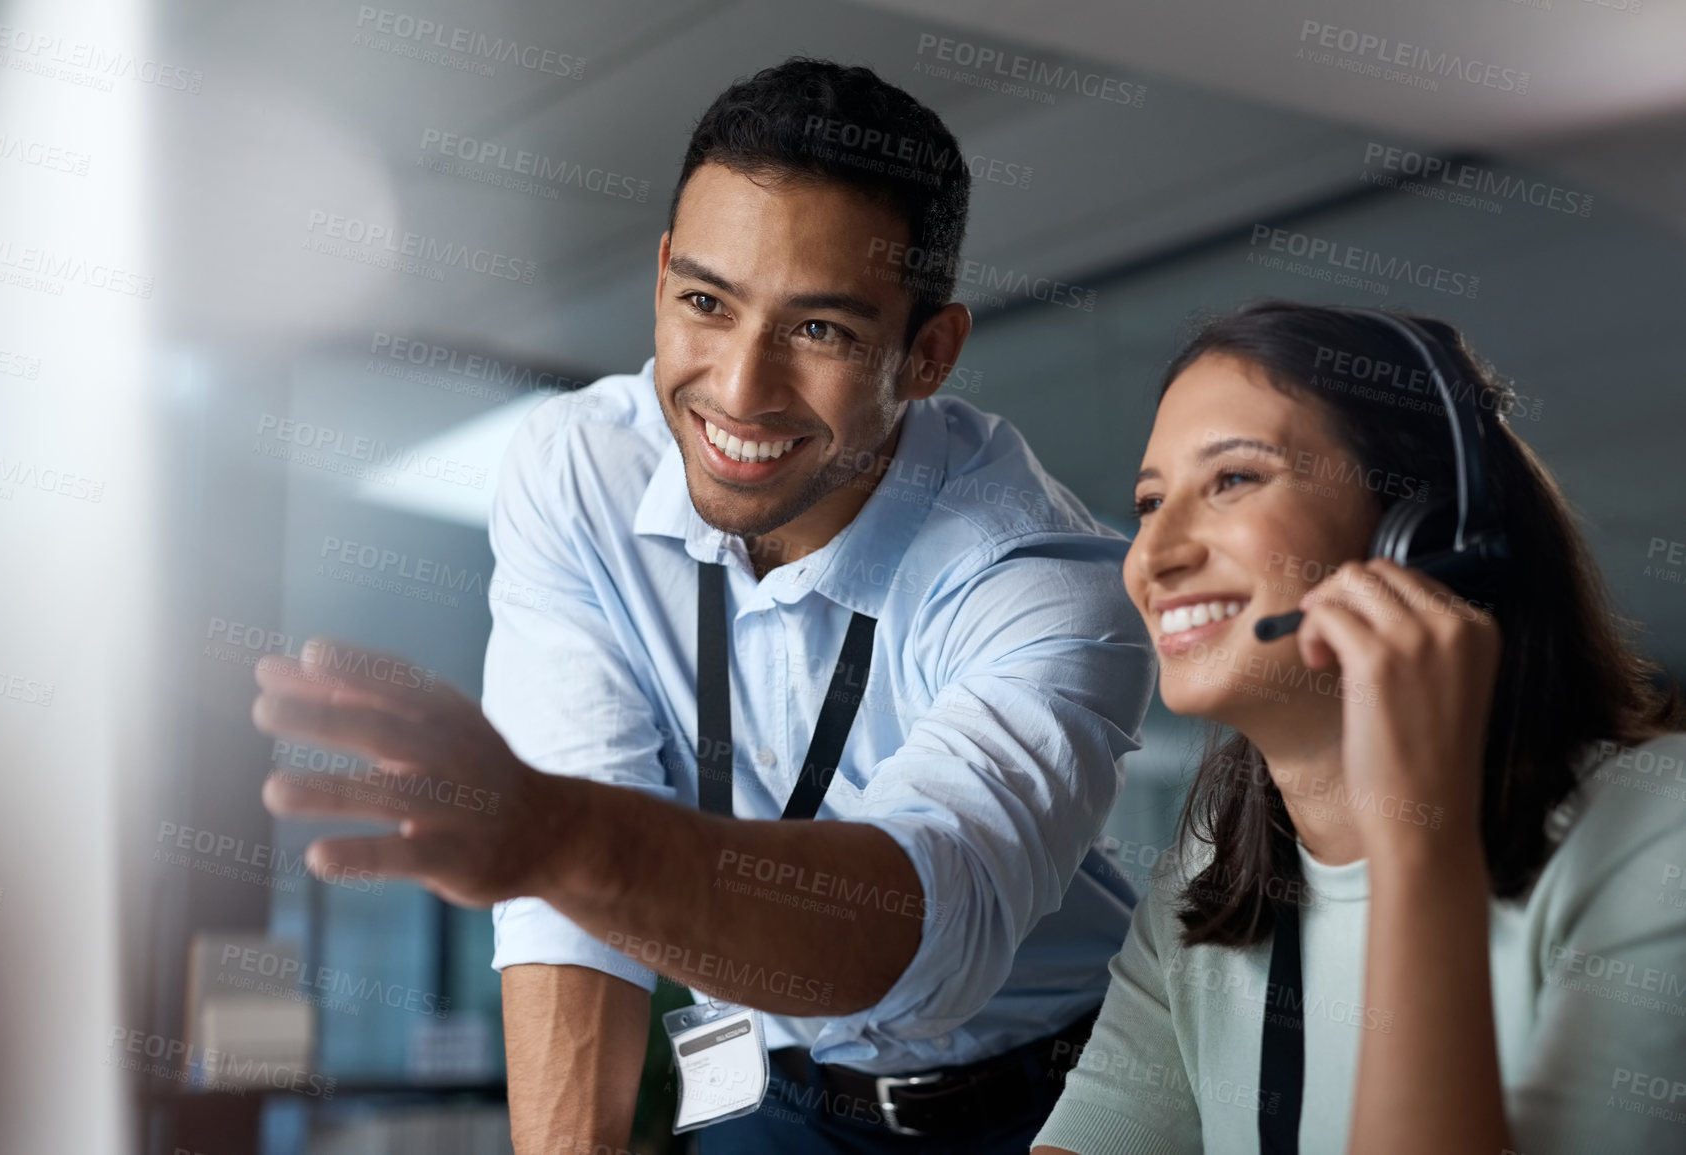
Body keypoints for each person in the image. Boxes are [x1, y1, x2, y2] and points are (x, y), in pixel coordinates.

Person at [250, 59, 1155, 1152]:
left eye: (820, 331)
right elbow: (568, 906)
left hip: (1045, 1087)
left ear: (929, 353)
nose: (738, 390)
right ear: (663, 274)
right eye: (706, 304)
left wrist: (556, 834)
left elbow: (929, 936)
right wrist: (557, 845)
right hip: (769, 1080)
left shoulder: (1041, 580)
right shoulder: (580, 471)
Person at [1031, 300, 1686, 1155]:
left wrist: (1417, 836)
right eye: (1150, 502)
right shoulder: (1207, 872)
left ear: (1424, 534)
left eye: (1233, 479)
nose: (1153, 556)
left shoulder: (1659, 831)